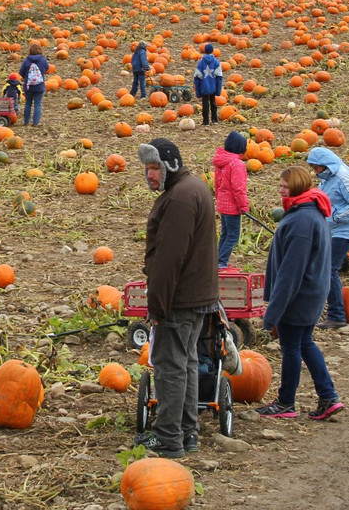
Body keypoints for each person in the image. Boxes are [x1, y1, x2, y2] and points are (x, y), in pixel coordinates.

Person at [134, 138, 218, 457]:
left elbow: (169, 259)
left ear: (170, 165)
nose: (150, 175)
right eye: (147, 169)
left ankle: (168, 437)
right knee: (187, 364)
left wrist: (157, 306)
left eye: (154, 168)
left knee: (170, 366)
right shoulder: (192, 188)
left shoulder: (180, 198)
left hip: (180, 299)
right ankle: (188, 432)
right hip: (198, 295)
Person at [257, 166, 344, 421]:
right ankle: (328, 397)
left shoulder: (301, 221)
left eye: (285, 186)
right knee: (304, 343)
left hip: (299, 296)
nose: (280, 190)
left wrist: (274, 310)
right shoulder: (308, 212)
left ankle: (286, 402)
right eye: (280, 186)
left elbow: (291, 272)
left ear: (296, 187)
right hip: (311, 293)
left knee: (292, 347)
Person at [306, 147, 349, 330]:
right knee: (323, 268)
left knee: (328, 269)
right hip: (331, 229)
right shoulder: (326, 178)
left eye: (316, 168)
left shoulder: (342, 176)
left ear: (326, 165)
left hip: (344, 230)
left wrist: (336, 218)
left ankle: (337, 315)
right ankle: (328, 310)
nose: (314, 172)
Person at [214, 131, 250, 269]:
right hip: (233, 207)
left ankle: (217, 260)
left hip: (223, 205)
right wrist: (243, 206)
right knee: (233, 236)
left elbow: (217, 184)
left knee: (225, 234)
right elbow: (238, 188)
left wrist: (219, 200)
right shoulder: (237, 164)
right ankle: (222, 262)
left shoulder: (221, 162)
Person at [19, 43, 49, 127]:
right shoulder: (43, 60)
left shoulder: (26, 61)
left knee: (28, 103)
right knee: (38, 104)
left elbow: (21, 72)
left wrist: (26, 77)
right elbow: (47, 68)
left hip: (28, 86)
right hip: (39, 86)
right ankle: (35, 123)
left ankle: (26, 121)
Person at [193, 44, 222, 127]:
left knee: (205, 104)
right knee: (213, 102)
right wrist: (218, 90)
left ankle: (205, 121)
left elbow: (197, 76)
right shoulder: (216, 62)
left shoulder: (201, 63)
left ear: (204, 51)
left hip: (204, 87)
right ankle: (214, 119)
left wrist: (198, 91)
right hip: (213, 86)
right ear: (212, 51)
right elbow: (219, 76)